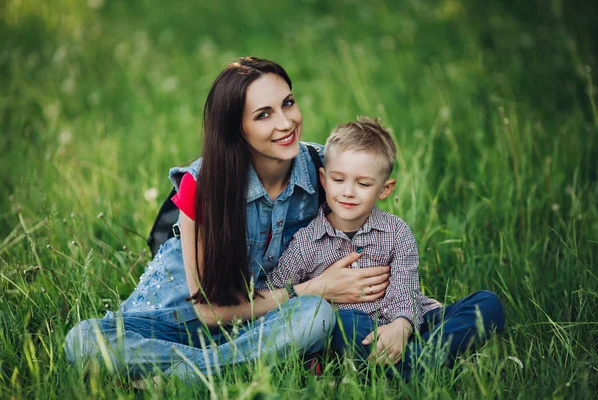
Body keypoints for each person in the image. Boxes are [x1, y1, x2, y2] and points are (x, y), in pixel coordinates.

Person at [64, 57, 392, 383]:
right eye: (264, 114)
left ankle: (179, 376)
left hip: (260, 324)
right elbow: (208, 310)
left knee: (315, 316)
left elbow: (377, 253)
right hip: (172, 323)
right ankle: (222, 369)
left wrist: (408, 313)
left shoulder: (326, 170)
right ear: (237, 129)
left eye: (288, 103)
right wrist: (316, 288)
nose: (286, 122)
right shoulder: (203, 184)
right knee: (83, 340)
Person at [265, 117, 506, 379]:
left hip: (410, 323)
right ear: (323, 180)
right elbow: (272, 292)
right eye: (338, 179)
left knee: (488, 304)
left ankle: (407, 361)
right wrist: (315, 293)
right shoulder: (305, 242)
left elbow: (406, 288)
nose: (348, 192)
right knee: (342, 324)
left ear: (385, 189)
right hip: (358, 330)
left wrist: (402, 326)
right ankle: (420, 365)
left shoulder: (396, 232)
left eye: (363, 184)